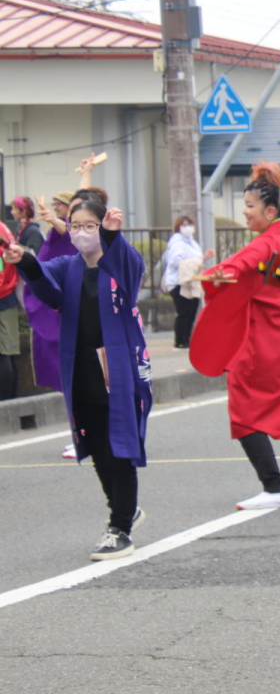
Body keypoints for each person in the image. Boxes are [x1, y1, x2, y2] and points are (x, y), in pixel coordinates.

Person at [6, 198, 152, 559]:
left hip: (117, 367)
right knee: (97, 445)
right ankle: (124, 510)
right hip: (82, 367)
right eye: (75, 225)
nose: (81, 233)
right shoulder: (68, 266)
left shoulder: (121, 260)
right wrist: (23, 257)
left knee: (119, 446)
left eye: (90, 226)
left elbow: (129, 269)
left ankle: (120, 527)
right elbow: (45, 285)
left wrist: (114, 238)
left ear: (103, 227)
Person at [201, 163, 280, 510]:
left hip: (263, 341)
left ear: (270, 210)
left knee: (243, 409)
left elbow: (235, 268)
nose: (244, 212)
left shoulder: (265, 243)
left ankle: (274, 487)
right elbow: (267, 274)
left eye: (250, 207)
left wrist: (206, 275)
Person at [26, 191, 78, 393]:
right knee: (47, 340)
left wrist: (53, 220)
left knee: (59, 337)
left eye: (59, 204)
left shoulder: (73, 230)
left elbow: (67, 229)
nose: (56, 207)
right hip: (49, 284)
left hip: (63, 288)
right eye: (54, 203)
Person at [161, 216, 207, 349]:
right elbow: (176, 261)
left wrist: (202, 260)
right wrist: (195, 262)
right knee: (184, 312)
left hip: (190, 281)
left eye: (189, 225)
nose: (187, 228)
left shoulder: (192, 242)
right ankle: (180, 340)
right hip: (179, 282)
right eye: (184, 225)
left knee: (191, 311)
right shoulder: (177, 242)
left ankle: (187, 338)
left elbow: (197, 259)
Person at [0, 219, 18, 400]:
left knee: (3, 353)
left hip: (2, 296)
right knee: (9, 352)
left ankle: (5, 400)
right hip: (8, 294)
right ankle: (11, 397)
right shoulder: (4, 228)